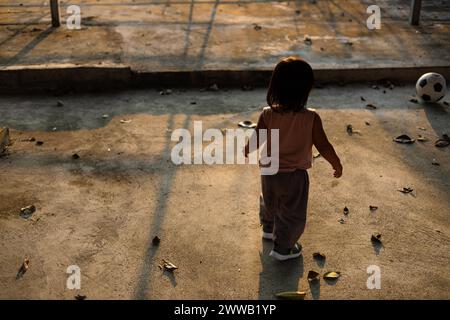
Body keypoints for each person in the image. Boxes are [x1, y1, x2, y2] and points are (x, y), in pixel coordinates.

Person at [245, 57, 343, 261]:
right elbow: (323, 145)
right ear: (306, 90)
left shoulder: (267, 114)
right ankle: (283, 248)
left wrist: (248, 148)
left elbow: (257, 138)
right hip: (294, 176)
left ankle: (269, 228)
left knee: (269, 198)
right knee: (292, 212)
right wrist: (335, 162)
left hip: (269, 171)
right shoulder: (311, 118)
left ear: (275, 86)